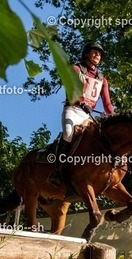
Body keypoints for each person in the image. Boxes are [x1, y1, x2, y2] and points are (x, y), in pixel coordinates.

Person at [49, 41, 114, 186]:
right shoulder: (76, 69)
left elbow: (107, 104)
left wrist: (114, 115)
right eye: (95, 52)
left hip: (87, 115)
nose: (98, 55)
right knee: (68, 133)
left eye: (100, 54)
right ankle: (57, 170)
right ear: (86, 54)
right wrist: (81, 103)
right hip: (73, 110)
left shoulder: (103, 80)